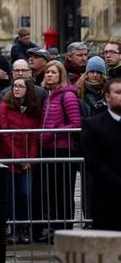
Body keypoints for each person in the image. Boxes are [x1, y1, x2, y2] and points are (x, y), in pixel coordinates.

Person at [0, 77, 41, 244]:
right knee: (12, 196)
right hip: (10, 159)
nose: (16, 89)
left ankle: (24, 229)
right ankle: (14, 229)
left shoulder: (32, 108)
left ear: (27, 89)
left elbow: (35, 135)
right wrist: (19, 158)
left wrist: (30, 159)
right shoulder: (5, 107)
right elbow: (5, 134)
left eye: (20, 86)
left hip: (27, 158)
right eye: (15, 86)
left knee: (25, 194)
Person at [40, 61, 81, 239]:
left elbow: (75, 124)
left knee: (63, 192)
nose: (49, 75)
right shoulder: (50, 96)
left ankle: (65, 230)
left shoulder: (68, 96)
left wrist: (54, 132)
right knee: (54, 193)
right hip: (49, 148)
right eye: (47, 72)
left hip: (64, 149)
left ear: (61, 75)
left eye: (53, 72)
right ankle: (56, 229)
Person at [80, 77, 121, 231]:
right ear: (107, 97)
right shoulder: (93, 125)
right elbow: (94, 162)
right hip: (106, 201)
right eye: (118, 92)